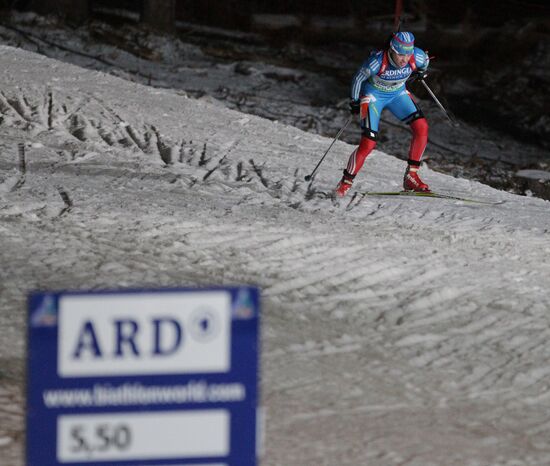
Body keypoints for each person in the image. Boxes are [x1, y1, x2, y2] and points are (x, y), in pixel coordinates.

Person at [335, 31, 431, 197]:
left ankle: (411, 176)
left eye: (408, 54)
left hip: (397, 94)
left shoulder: (418, 56)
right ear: (392, 50)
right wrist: (354, 101)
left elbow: (426, 62)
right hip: (373, 97)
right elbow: (358, 79)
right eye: (401, 54)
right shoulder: (376, 61)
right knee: (368, 143)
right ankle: (344, 185)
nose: (404, 59)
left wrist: (422, 72)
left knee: (421, 127)